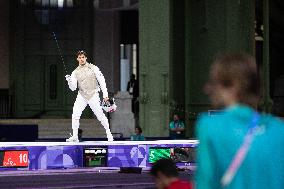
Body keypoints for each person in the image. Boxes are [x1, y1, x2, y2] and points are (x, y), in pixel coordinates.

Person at [195, 53, 284, 189]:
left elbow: (206, 183)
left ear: (233, 86)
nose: (207, 89)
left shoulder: (210, 126)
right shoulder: (278, 128)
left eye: (214, 83)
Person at [65, 50, 113, 142]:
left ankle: (108, 133)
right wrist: (69, 81)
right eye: (80, 57)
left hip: (93, 94)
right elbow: (73, 88)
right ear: (77, 59)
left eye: (83, 57)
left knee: (100, 115)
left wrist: (105, 95)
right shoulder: (75, 72)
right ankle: (75, 136)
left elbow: (101, 80)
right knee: (75, 114)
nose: (81, 59)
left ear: (86, 58)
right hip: (82, 95)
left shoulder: (93, 68)